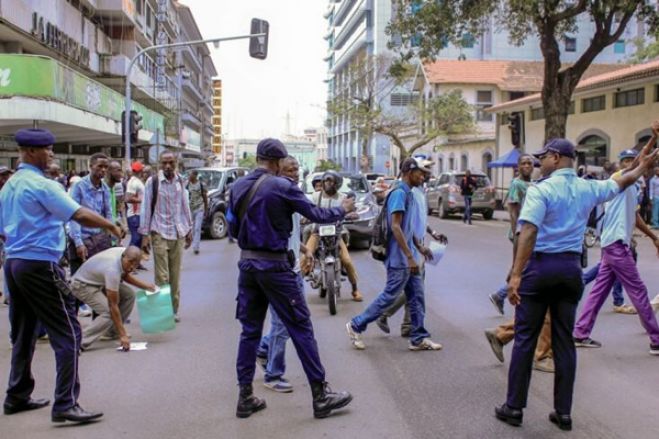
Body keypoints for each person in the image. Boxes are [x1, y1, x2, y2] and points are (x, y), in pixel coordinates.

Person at [494, 135, 658, 432]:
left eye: (542, 157)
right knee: (564, 341)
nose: (538, 162)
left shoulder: (541, 190)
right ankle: (563, 413)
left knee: (526, 339)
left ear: (556, 158)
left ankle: (514, 407)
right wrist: (643, 165)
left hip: (540, 268)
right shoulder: (588, 187)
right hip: (570, 269)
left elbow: (528, 231)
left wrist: (515, 274)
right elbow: (623, 181)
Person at [1, 128, 123, 423]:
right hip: (40, 265)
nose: (51, 154)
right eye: (47, 149)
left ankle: (17, 394)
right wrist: (111, 226)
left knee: (25, 332)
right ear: (30, 152)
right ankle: (65, 403)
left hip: (15, 263)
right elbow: (78, 214)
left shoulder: (9, 186)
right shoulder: (42, 186)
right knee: (69, 332)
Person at [228, 138, 354, 419]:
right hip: (275, 268)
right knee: (300, 327)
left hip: (247, 265)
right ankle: (321, 396)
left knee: (250, 331)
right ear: (278, 162)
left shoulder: (237, 186)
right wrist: (343, 209)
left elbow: (233, 230)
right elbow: (318, 214)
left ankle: (245, 397)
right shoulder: (283, 187)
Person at [347, 157, 441, 351]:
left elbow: (409, 227)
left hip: (410, 255)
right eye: (419, 173)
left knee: (417, 297)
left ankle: (418, 337)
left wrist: (419, 248)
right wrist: (408, 256)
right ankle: (356, 325)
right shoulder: (399, 193)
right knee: (389, 296)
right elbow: (396, 227)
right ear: (408, 172)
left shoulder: (410, 193)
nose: (422, 176)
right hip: (400, 258)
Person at [573, 148, 659, 355]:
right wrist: (653, 140)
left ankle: (580, 332)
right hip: (616, 245)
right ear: (620, 165)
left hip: (614, 244)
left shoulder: (633, 187)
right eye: (626, 160)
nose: (631, 163)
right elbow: (636, 164)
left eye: (633, 159)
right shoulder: (618, 179)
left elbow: (636, 218)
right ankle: (656, 339)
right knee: (638, 290)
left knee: (599, 290)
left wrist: (654, 237)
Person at [256, 156, 313, 393]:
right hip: (281, 270)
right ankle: (273, 373)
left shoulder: (293, 195)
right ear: (279, 172)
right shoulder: (277, 197)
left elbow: (292, 233)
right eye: (289, 170)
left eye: (296, 169)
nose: (294, 173)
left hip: (294, 269)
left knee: (294, 320)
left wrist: (305, 249)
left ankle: (262, 349)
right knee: (283, 324)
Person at [375, 160, 447, 337]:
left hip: (418, 243)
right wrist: (413, 250)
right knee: (411, 289)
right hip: (409, 245)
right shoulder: (407, 191)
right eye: (423, 171)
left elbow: (421, 219)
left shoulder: (420, 191)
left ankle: (409, 325)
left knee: (415, 288)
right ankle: (383, 315)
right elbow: (399, 224)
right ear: (412, 172)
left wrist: (433, 232)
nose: (426, 174)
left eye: (427, 171)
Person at [140, 151, 192, 323]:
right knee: (162, 276)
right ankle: (163, 312)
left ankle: (174, 310)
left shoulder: (180, 181)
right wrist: (145, 235)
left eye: (171, 163)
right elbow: (146, 208)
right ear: (159, 164)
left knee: (175, 275)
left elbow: (185, 205)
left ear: (176, 163)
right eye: (164, 163)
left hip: (178, 233)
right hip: (159, 232)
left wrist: (189, 228)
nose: (167, 166)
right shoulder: (152, 182)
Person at [72, 246, 155, 351]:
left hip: (98, 281)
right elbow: (113, 305)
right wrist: (123, 334)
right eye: (130, 262)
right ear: (124, 257)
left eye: (136, 265)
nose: (132, 268)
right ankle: (78, 342)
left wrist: (146, 286)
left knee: (129, 295)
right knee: (108, 313)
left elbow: (125, 274)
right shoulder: (112, 270)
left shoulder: (124, 253)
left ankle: (112, 331)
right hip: (82, 285)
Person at [301, 170, 363, 302]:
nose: (328, 183)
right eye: (326, 181)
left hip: (336, 234)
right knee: (303, 259)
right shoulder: (315, 196)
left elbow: (352, 209)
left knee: (347, 261)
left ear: (337, 183)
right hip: (317, 233)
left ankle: (355, 289)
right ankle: (295, 289)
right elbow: (307, 209)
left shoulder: (343, 198)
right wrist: (305, 217)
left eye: (331, 181)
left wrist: (352, 214)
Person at [489, 154, 535, 315]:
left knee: (522, 266)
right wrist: (518, 234)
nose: (527, 166)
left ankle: (500, 295)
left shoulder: (533, 183)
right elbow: (513, 211)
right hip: (521, 232)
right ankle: (502, 295)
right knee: (523, 266)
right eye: (524, 163)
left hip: (531, 231)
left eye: (530, 163)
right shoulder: (516, 183)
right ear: (518, 166)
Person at [68, 153, 115, 275]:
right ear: (91, 166)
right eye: (100, 166)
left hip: (98, 241)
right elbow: (73, 215)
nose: (103, 170)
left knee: (98, 279)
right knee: (78, 280)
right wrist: (78, 243)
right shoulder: (79, 186)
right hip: (82, 240)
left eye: (106, 167)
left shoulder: (105, 188)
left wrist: (112, 235)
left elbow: (108, 214)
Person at [187, 170, 208, 255]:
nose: (189, 176)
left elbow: (205, 197)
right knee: (191, 228)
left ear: (195, 176)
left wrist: (206, 209)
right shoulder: (187, 184)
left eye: (190, 175)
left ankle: (196, 247)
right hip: (190, 209)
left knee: (197, 228)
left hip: (200, 208)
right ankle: (191, 242)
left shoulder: (201, 185)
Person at [125, 162, 146, 249]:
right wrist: (144, 201)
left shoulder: (137, 181)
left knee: (138, 240)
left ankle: (134, 261)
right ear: (140, 170)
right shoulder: (133, 182)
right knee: (136, 239)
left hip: (138, 215)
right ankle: (125, 258)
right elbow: (128, 198)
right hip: (134, 215)